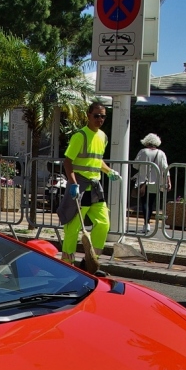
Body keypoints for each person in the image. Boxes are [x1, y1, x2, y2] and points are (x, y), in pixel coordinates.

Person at [60, 102, 119, 273]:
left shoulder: (103, 137)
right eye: (97, 116)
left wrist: (109, 171)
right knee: (73, 227)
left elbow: (97, 159)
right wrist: (73, 183)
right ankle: (66, 264)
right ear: (88, 115)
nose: (100, 119)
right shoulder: (80, 136)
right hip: (80, 185)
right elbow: (68, 162)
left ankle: (90, 263)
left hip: (95, 186)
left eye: (103, 116)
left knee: (103, 224)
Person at [132, 133, 170, 232]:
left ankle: (146, 224)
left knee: (144, 202)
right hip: (156, 182)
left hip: (143, 182)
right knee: (151, 203)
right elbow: (166, 168)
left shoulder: (142, 152)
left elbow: (135, 166)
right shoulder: (161, 153)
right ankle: (148, 223)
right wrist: (168, 181)